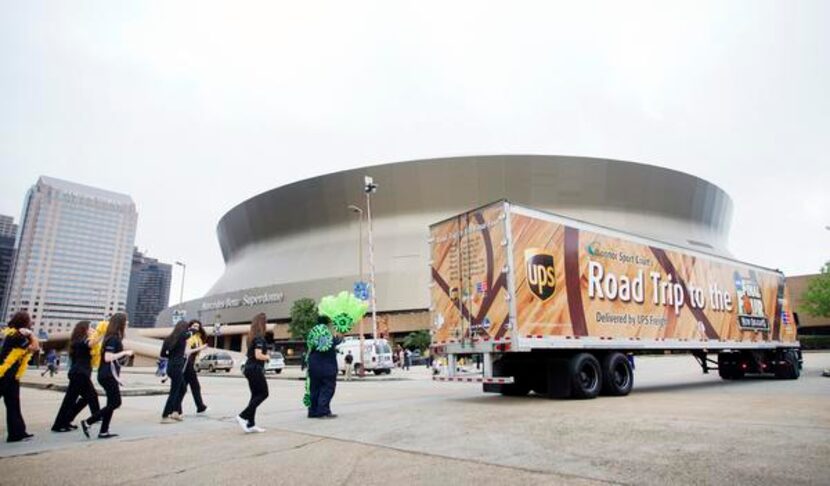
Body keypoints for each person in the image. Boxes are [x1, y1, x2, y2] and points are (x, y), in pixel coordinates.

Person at [80, 313, 133, 439]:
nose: (127, 323)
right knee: (116, 402)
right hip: (108, 375)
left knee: (111, 403)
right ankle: (88, 422)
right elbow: (108, 358)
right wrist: (125, 352)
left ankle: (104, 431)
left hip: (106, 374)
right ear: (120, 323)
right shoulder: (113, 338)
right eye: (126, 321)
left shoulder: (112, 337)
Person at [51, 321, 101, 432]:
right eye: (89, 328)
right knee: (71, 400)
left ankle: (66, 420)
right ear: (84, 329)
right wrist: (100, 332)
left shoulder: (77, 341)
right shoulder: (80, 341)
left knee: (88, 397)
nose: (91, 330)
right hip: (79, 374)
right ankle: (59, 424)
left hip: (80, 374)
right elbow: (91, 344)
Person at [1, 311, 40, 442]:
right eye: (29, 320)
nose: (31, 323)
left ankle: (17, 433)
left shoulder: (16, 335)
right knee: (13, 403)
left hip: (11, 376)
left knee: (13, 404)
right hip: (4, 375)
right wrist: (31, 334)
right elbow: (35, 347)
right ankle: (17, 433)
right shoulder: (16, 336)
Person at [237, 313, 269, 433]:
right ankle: (242, 416)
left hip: (250, 368)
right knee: (264, 393)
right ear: (262, 324)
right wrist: (267, 356)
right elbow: (258, 355)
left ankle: (251, 424)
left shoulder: (252, 337)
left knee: (255, 395)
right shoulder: (259, 338)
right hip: (255, 369)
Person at [306, 316, 341, 419]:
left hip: (313, 364)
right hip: (325, 366)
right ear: (327, 323)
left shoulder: (313, 331)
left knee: (314, 388)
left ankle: (313, 411)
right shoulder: (324, 331)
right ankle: (323, 411)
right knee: (327, 388)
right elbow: (325, 346)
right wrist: (339, 337)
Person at [161, 320, 192, 423]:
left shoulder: (168, 339)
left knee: (183, 388)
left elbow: (163, 354)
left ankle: (175, 412)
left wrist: (172, 356)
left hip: (170, 366)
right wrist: (193, 329)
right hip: (177, 367)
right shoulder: (183, 336)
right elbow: (190, 333)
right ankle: (165, 415)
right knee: (174, 391)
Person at [181, 320, 208, 414]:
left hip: (190, 364)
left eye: (198, 326)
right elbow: (186, 352)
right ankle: (177, 408)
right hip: (186, 363)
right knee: (187, 387)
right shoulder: (189, 336)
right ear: (189, 326)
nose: (196, 328)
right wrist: (201, 348)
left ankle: (200, 406)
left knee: (190, 386)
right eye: (194, 326)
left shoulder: (198, 338)